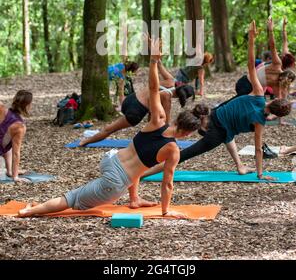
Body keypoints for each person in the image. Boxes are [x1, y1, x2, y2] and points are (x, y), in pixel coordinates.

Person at [19, 39, 200, 219]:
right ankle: (29, 212)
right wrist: (166, 211)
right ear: (187, 133)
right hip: (115, 182)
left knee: (140, 162)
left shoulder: (158, 120)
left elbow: (153, 88)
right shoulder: (173, 150)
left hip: (111, 158)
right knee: (72, 198)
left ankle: (134, 199)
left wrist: (153, 60)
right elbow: (167, 184)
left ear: (178, 119)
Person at [143, 21, 292, 181]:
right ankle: (141, 174)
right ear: (275, 115)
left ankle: (240, 166)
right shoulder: (259, 123)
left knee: (224, 133)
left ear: (274, 100)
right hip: (217, 132)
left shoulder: (257, 93)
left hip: (211, 116)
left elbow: (250, 65)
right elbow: (258, 150)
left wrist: (251, 40)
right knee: (183, 155)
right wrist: (260, 174)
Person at [79, 73, 195, 146]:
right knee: (110, 129)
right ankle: (85, 142)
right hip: (135, 112)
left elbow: (158, 64)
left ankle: (86, 141)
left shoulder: (170, 80)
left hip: (130, 99)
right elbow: (165, 125)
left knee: (152, 115)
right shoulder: (167, 99)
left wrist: (154, 54)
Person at [235, 17, 296, 99]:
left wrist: (281, 28)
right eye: (293, 64)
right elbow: (275, 46)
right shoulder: (278, 65)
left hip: (252, 85)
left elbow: (280, 99)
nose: (295, 65)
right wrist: (271, 30)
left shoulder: (280, 81)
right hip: (246, 83)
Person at [0, 90, 33, 182]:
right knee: (10, 143)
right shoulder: (19, 127)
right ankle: (12, 173)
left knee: (7, 142)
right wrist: (16, 177)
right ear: (28, 105)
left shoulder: (2, 108)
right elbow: (16, 153)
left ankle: (10, 171)